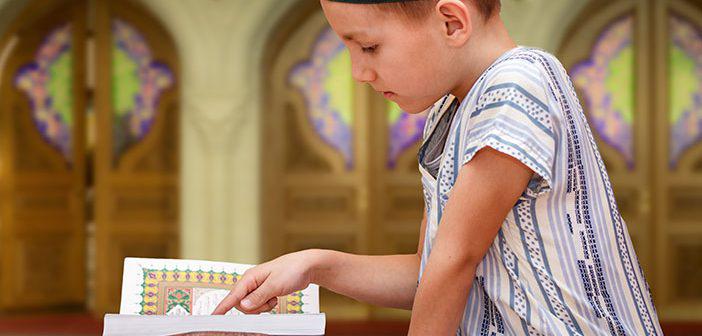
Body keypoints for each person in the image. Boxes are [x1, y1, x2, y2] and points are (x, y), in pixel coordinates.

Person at [214, 0, 663, 334]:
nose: (358, 72)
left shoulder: (517, 82)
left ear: (452, 22)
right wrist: (316, 266)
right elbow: (432, 271)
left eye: (368, 46)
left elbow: (453, 263)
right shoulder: (450, 109)